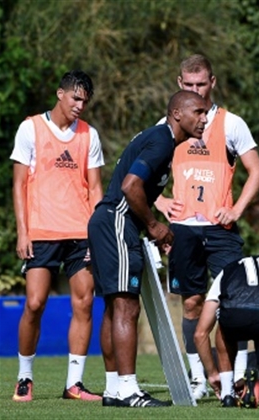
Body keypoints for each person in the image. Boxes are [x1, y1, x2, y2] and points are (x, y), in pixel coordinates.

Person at [154, 54, 259, 401]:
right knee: (191, 304)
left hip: (220, 230)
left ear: (212, 83)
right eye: (189, 85)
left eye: (201, 84)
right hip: (183, 230)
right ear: (179, 84)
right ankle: (199, 377)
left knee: (236, 302)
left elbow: (258, 172)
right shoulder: (166, 126)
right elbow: (139, 176)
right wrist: (159, 203)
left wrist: (236, 209)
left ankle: (239, 377)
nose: (195, 91)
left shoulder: (231, 124)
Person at [88, 90, 208, 408]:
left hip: (107, 221)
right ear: (177, 114)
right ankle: (128, 389)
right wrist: (154, 226)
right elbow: (130, 186)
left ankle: (114, 389)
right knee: (127, 306)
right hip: (116, 221)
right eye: (198, 111)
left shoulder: (162, 142)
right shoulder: (163, 140)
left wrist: (154, 230)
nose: (204, 118)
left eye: (206, 112)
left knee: (115, 307)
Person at [11, 70, 104, 402]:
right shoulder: (30, 128)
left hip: (80, 232)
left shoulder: (89, 135)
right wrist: (23, 233)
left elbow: (95, 188)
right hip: (41, 231)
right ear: (60, 94)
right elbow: (19, 185)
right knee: (34, 303)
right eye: (75, 98)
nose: (80, 105)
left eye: (85, 100)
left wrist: (97, 235)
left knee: (85, 302)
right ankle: (24, 377)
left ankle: (74, 384)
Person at [194, 255, 259, 408]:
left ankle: (227, 392)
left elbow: (200, 334)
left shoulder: (227, 271)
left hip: (236, 317)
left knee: (223, 320)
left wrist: (212, 374)